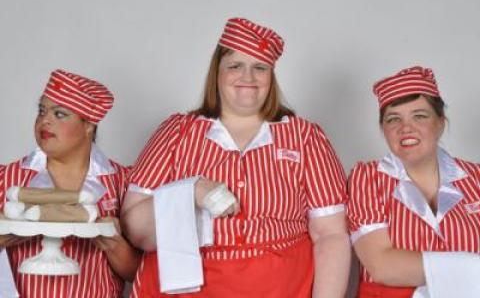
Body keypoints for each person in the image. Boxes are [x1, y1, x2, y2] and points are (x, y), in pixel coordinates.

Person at [121, 18, 351, 298]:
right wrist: (192, 190)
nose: (248, 77)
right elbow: (135, 231)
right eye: (235, 66)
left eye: (260, 68)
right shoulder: (176, 133)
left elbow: (330, 236)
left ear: (271, 77)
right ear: (216, 73)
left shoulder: (305, 138)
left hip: (282, 289)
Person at [0, 69, 141, 298]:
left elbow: (139, 274)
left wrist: (114, 243)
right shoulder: (7, 179)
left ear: (89, 125)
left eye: (60, 114)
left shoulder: (123, 182)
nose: (45, 120)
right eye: (42, 110)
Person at [347, 66, 480, 298]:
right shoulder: (367, 178)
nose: (405, 128)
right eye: (393, 119)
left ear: (440, 122)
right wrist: (473, 267)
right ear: (383, 128)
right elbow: (382, 266)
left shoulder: (476, 178)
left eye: (420, 116)